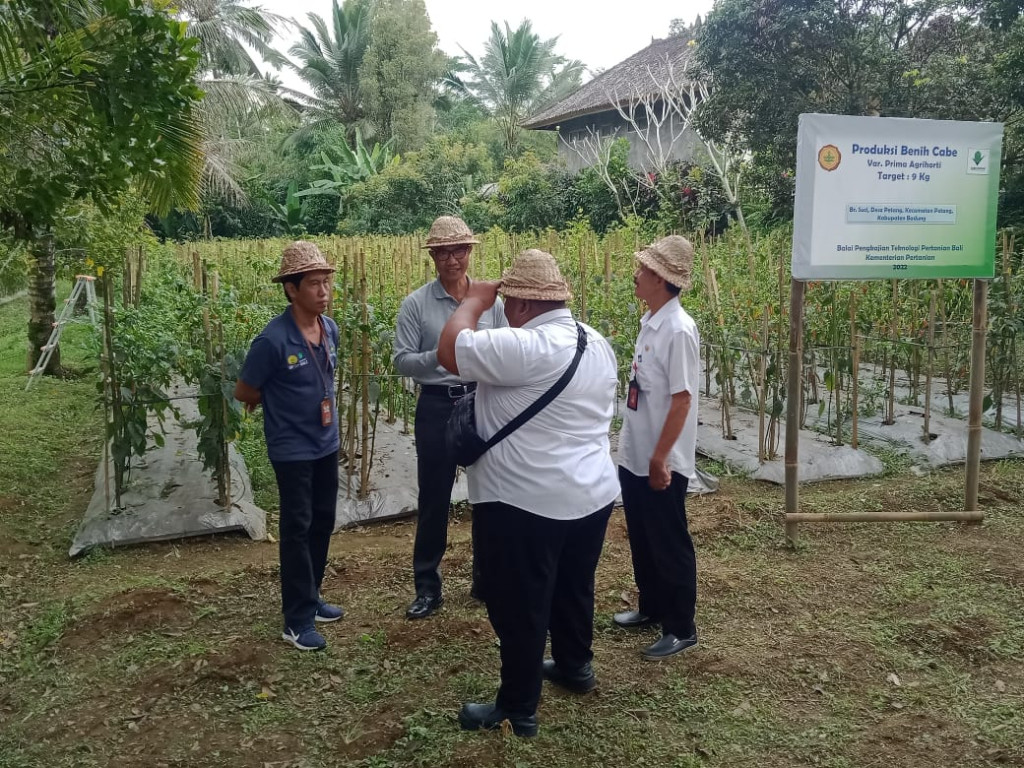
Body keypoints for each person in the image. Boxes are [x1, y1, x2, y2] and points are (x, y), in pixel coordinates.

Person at [437, 249, 619, 738]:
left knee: (520, 603)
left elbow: (450, 349)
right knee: (573, 585)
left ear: (517, 304)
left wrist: (474, 301)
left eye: (505, 304)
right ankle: (575, 666)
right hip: (593, 494)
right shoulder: (597, 342)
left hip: (526, 502)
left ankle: (518, 709)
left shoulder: (525, 347)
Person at [392, 216, 507, 620]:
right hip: (437, 404)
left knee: (490, 494)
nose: (452, 259)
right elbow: (401, 360)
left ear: (470, 252)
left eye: (459, 250)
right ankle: (427, 586)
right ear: (432, 256)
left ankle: (487, 580)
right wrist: (443, 355)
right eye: (443, 252)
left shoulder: (493, 301)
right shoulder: (416, 304)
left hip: (482, 402)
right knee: (434, 497)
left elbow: (507, 347)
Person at [234, 241, 344, 652]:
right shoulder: (272, 341)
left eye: (325, 282)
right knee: (296, 529)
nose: (323, 290)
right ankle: (296, 619)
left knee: (322, 520)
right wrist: (279, 403)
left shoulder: (329, 329)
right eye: (313, 284)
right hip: (292, 449)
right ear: (291, 289)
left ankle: (312, 597)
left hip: (325, 443)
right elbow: (245, 390)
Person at [614, 235, 701, 659]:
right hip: (637, 452)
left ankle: (681, 626)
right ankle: (650, 606)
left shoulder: (679, 330)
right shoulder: (652, 321)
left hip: (661, 459)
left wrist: (661, 457)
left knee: (668, 540)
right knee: (643, 537)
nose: (637, 275)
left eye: (645, 270)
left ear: (663, 281)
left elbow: (682, 399)